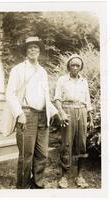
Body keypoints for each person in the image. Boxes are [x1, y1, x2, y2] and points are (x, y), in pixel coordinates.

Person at [5, 36, 58, 189]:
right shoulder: (18, 69)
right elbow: (10, 94)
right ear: (26, 51)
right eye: (30, 48)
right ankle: (22, 187)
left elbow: (45, 97)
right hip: (26, 115)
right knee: (26, 155)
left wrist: (54, 112)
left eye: (36, 47)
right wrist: (19, 113)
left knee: (42, 154)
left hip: (43, 116)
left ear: (39, 51)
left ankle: (37, 184)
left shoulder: (43, 71)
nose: (33, 50)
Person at [54, 54, 94, 188]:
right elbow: (57, 98)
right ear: (69, 66)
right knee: (66, 143)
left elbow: (87, 100)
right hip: (68, 111)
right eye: (73, 65)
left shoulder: (84, 81)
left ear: (81, 67)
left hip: (82, 112)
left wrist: (91, 118)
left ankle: (80, 176)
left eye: (78, 65)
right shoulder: (62, 80)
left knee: (82, 143)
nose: (75, 67)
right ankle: (64, 177)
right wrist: (62, 113)